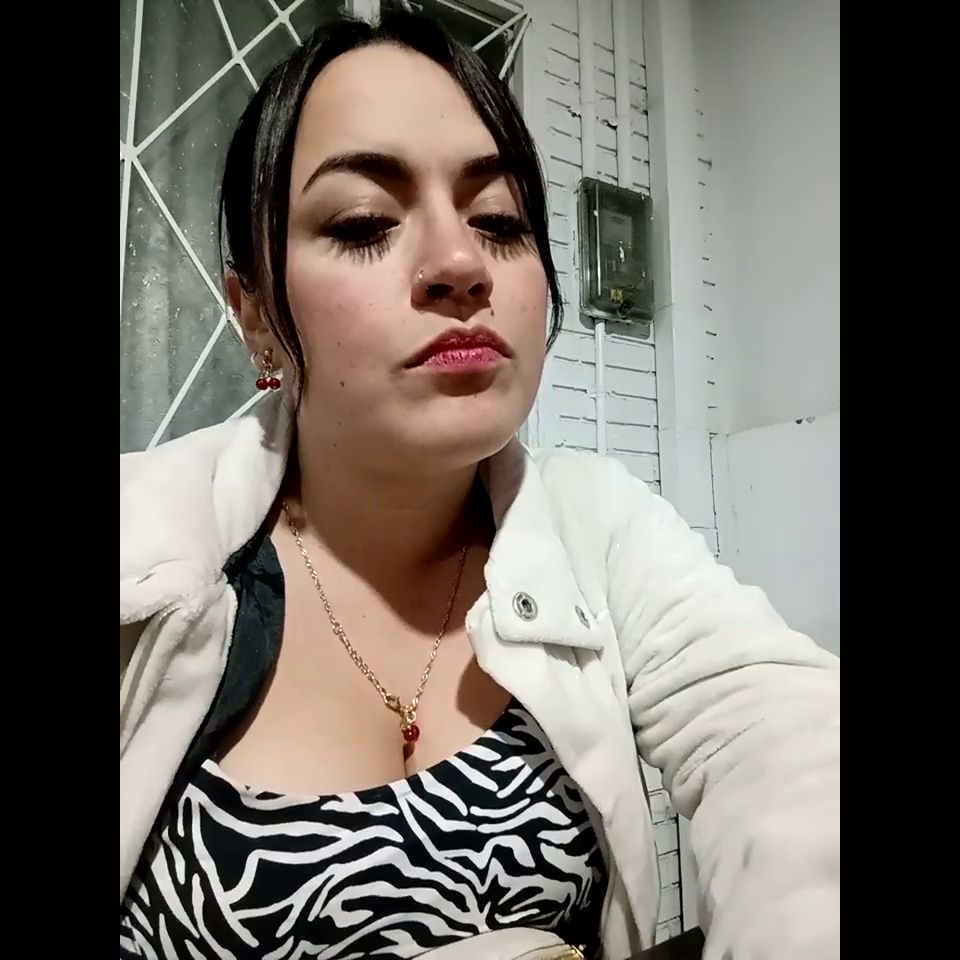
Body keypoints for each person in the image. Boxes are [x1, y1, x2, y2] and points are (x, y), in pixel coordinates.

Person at [119, 10, 839, 960]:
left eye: (498, 221)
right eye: (363, 223)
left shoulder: (598, 526)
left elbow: (782, 735)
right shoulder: (145, 547)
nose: (461, 263)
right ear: (253, 313)